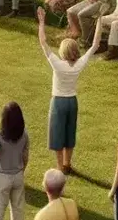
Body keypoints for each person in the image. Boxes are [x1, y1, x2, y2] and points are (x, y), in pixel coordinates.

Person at [38, 9, 102, 172]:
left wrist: (42, 22)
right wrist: (100, 20)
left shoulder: (58, 65)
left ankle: (60, 166)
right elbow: (95, 44)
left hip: (58, 102)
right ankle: (67, 163)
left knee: (57, 134)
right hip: (72, 101)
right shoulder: (79, 65)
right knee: (69, 132)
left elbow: (43, 42)